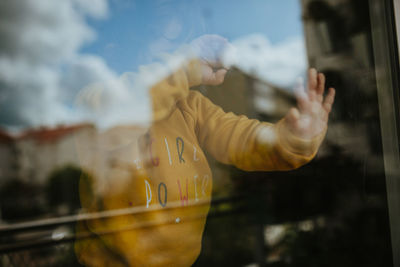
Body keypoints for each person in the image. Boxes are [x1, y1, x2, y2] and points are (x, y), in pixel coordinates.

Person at [74, 35, 335, 267]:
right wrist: (185, 68)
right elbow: (125, 110)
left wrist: (294, 139)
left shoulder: (190, 106)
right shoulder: (96, 100)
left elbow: (241, 138)